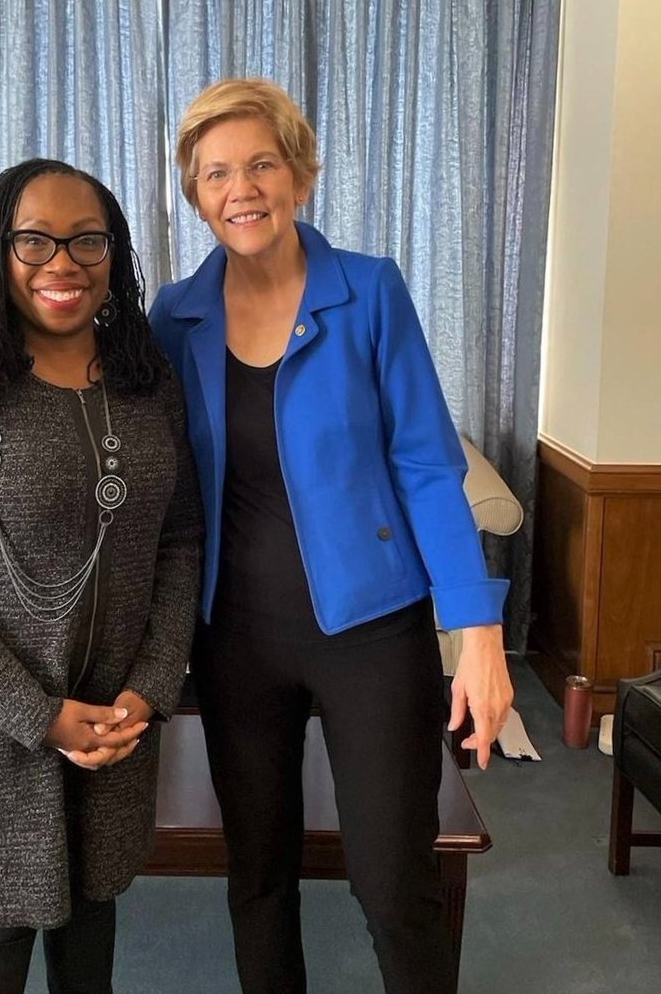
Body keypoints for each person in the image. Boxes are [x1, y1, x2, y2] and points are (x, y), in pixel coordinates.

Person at [149, 79, 513, 994]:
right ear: (195, 195)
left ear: (301, 174)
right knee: (258, 879)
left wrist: (478, 634)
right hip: (233, 641)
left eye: (262, 163)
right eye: (217, 173)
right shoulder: (172, 318)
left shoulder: (370, 290)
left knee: (393, 885)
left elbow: (429, 468)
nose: (242, 188)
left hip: (372, 634)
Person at [0, 157, 201, 994]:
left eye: (86, 240)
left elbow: (180, 541)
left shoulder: (146, 380)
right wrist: (41, 716)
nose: (63, 263)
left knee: (91, 928)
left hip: (116, 725)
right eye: (34, 241)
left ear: (114, 253)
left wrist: (151, 686)